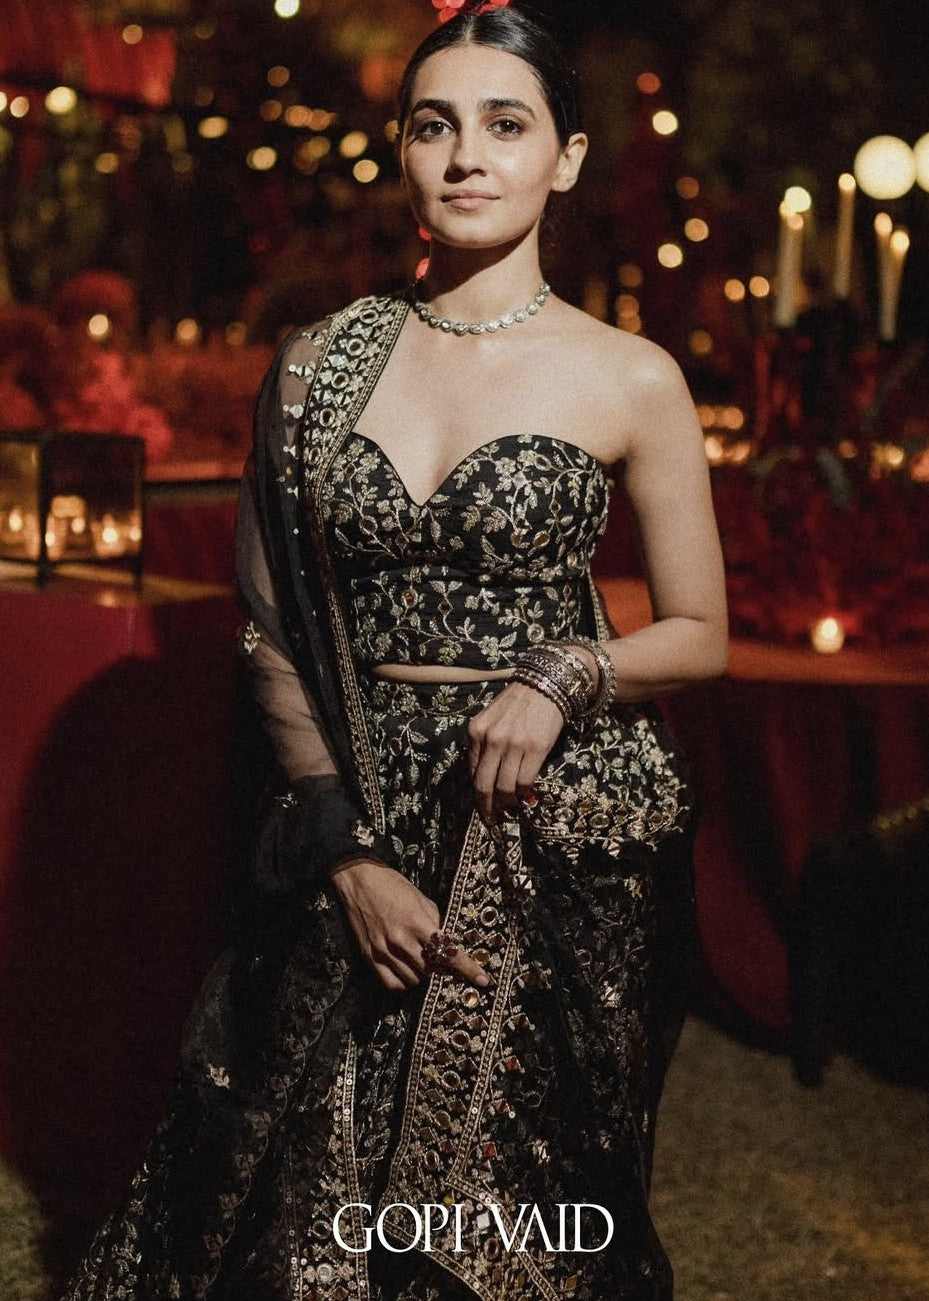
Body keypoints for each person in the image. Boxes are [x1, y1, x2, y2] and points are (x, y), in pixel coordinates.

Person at [62, 3, 726, 1298]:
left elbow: (701, 634)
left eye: (504, 124)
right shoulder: (319, 365)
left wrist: (563, 675)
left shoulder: (630, 377)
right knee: (291, 1216)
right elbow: (269, 628)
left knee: (520, 1222)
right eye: (434, 126)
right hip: (344, 808)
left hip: (547, 833)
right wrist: (347, 854)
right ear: (404, 152)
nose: (466, 155)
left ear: (566, 159)